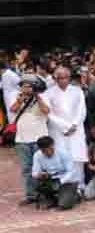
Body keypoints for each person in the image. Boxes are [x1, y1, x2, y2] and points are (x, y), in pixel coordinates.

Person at [42, 66, 88, 192]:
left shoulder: (77, 90)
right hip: (58, 131)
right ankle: (63, 187)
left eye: (66, 77)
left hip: (76, 129)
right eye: (60, 78)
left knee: (77, 158)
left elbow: (82, 110)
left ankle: (80, 186)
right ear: (55, 78)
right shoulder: (48, 93)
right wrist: (65, 126)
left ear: (69, 78)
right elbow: (48, 113)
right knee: (61, 157)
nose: (63, 80)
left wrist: (74, 124)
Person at [12, 74, 50, 205]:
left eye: (29, 86)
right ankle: (31, 195)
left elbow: (46, 111)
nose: (26, 88)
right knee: (26, 169)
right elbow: (12, 110)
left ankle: (45, 194)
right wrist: (19, 100)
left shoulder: (42, 97)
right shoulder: (18, 97)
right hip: (22, 139)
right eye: (23, 86)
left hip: (39, 138)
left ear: (35, 87)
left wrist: (37, 97)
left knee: (43, 168)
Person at [32, 136, 80, 210]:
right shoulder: (37, 155)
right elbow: (34, 172)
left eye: (49, 149)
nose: (47, 152)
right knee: (36, 182)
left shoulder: (64, 153)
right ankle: (51, 199)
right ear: (40, 149)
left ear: (53, 145)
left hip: (67, 181)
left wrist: (60, 182)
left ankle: (75, 195)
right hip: (50, 179)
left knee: (64, 205)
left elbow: (72, 171)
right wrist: (40, 174)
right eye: (44, 151)